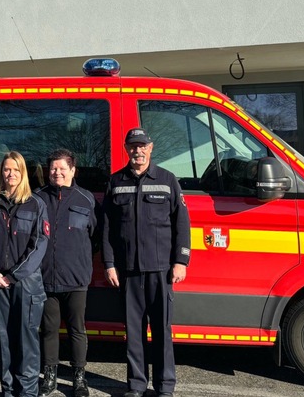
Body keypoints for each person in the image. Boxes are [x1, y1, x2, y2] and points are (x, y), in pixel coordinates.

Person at [102, 128, 191, 397]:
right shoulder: (116, 182)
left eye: (142, 146)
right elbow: (106, 227)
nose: (137, 151)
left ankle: (165, 386)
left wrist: (181, 260)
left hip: (161, 270)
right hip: (128, 271)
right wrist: (109, 263)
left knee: (162, 332)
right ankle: (136, 385)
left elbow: (182, 223)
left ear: (150, 148)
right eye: (132, 146)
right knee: (134, 333)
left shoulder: (167, 180)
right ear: (126, 149)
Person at [0, 150, 49, 397]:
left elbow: (39, 244)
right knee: (5, 341)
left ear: (23, 173)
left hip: (26, 283)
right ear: (1, 172)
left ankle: (27, 392)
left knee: (26, 340)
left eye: (15, 170)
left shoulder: (36, 204)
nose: (10, 174)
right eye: (6, 169)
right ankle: (8, 390)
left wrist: (14, 275)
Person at [35, 149, 99, 397]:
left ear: (73, 170)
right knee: (49, 330)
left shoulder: (87, 199)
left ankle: (79, 378)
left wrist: (77, 257)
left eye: (62, 168)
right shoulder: (37, 198)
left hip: (76, 277)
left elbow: (95, 236)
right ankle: (49, 378)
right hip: (45, 277)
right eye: (53, 168)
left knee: (77, 330)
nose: (57, 172)